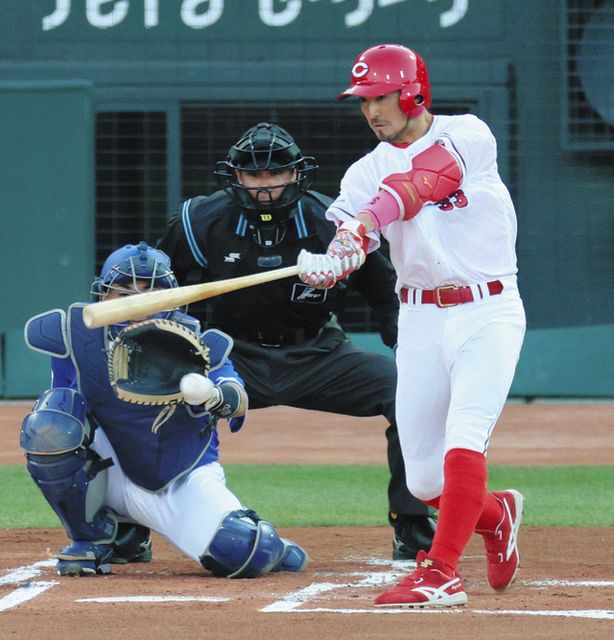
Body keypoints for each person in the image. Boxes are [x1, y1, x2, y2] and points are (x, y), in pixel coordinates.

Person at [297, 44, 526, 607]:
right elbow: (354, 235)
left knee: (464, 438)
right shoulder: (362, 171)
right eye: (364, 101)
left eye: (381, 97)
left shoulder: (469, 134)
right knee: (425, 483)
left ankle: (441, 570)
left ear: (412, 91)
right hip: (420, 316)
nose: (372, 110)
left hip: (486, 309)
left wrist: (366, 223)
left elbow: (422, 182)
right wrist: (335, 263)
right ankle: (498, 515)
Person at [158, 121, 436, 560]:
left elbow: (389, 296)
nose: (264, 186)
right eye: (253, 175)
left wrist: (409, 349)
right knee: (145, 402)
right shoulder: (198, 222)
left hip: (320, 354)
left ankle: (413, 527)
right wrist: (178, 357)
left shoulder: (333, 225)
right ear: (236, 177)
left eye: (275, 174)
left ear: (296, 174)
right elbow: (163, 295)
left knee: (408, 393)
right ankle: (127, 530)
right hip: (232, 358)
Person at [20, 241, 308, 578]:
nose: (137, 303)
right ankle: (94, 536)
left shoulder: (195, 342)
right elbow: (61, 408)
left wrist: (216, 396)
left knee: (245, 553)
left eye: (150, 292)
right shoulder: (75, 333)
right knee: (53, 424)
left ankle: (267, 543)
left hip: (179, 476)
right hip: (108, 469)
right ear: (103, 296)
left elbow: (237, 397)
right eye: (123, 292)